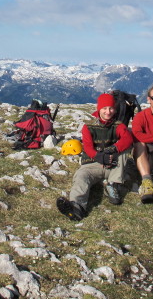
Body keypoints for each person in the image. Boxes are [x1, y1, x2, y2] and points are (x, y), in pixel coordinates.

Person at [56, 93, 134, 221]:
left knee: (125, 149)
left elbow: (128, 139)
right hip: (93, 164)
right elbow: (87, 148)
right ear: (99, 109)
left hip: (113, 164)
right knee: (81, 176)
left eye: (111, 108)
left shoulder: (119, 125)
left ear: (115, 109)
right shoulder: (88, 127)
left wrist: (113, 149)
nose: (108, 112)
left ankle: (113, 186)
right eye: (104, 108)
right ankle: (77, 207)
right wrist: (98, 157)